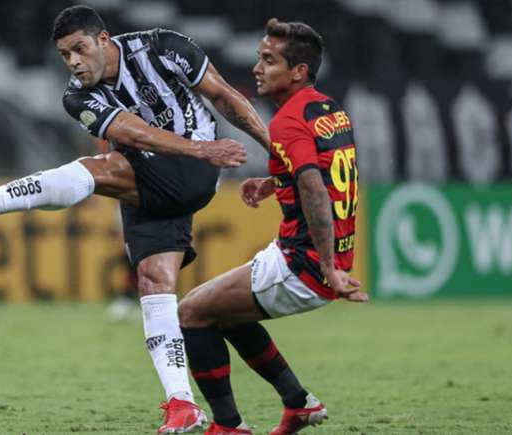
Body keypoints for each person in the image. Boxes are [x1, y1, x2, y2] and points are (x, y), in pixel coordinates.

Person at [0, 5, 272, 433]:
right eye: (65, 55)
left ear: (103, 40)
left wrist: (275, 150)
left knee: (98, 168)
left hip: (193, 168)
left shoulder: (163, 47)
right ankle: (182, 403)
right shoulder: (77, 96)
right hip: (152, 173)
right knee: (154, 282)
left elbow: (225, 97)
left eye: (79, 49)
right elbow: (132, 134)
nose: (74, 62)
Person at [176, 18, 368, 435]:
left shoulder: (287, 120)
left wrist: (330, 268)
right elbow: (325, 172)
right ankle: (298, 403)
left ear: (298, 71)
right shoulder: (330, 110)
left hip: (303, 264)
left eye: (268, 60)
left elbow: (316, 190)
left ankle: (228, 427)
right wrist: (274, 181)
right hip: (315, 259)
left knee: (190, 312)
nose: (257, 69)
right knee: (222, 313)